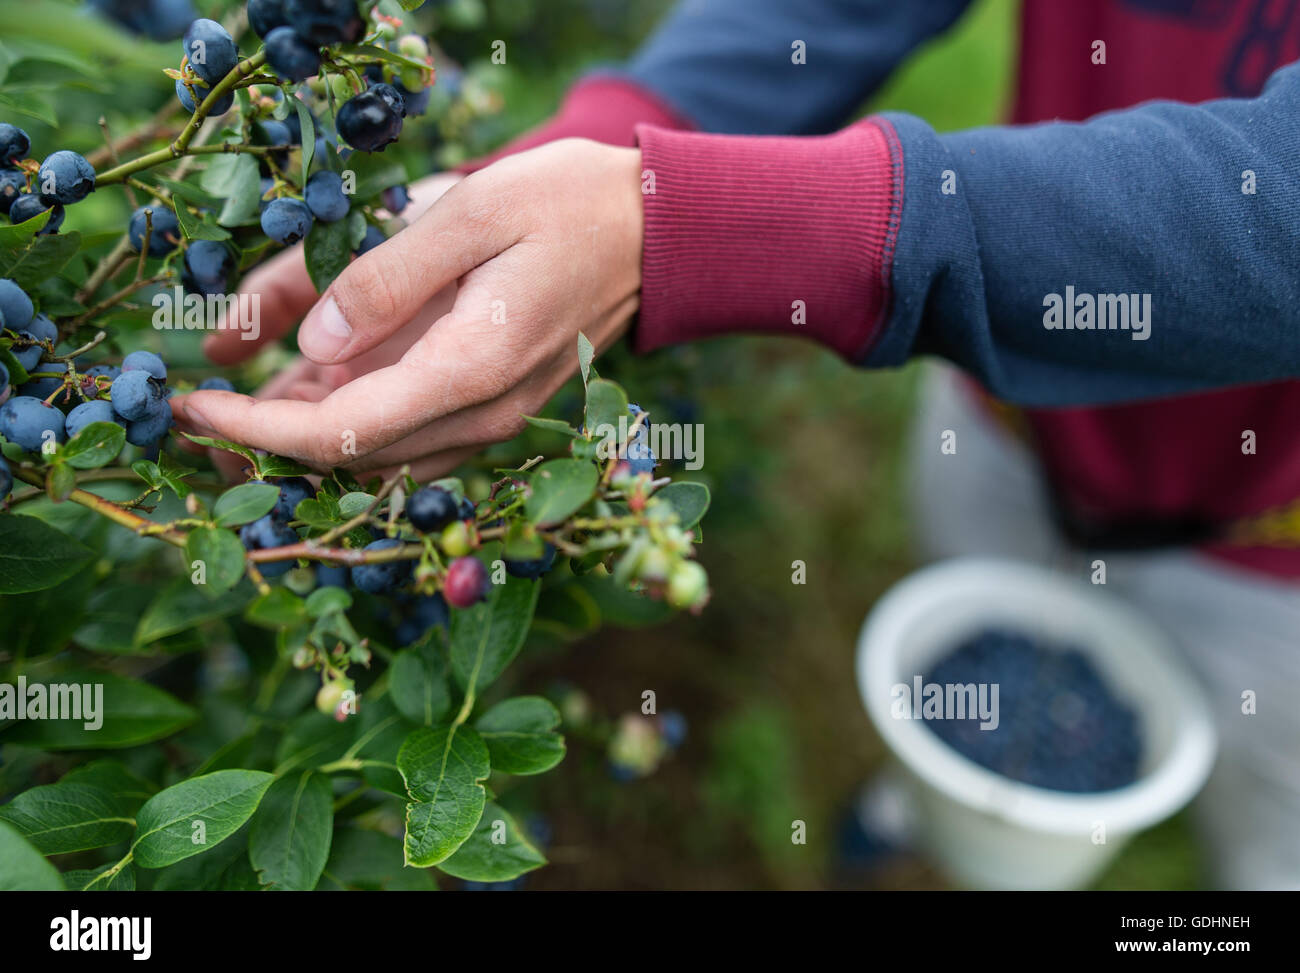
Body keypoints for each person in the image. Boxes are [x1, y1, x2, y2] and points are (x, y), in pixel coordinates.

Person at [173, 0, 1300, 888]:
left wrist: (686, 223)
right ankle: (921, 811)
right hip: (1013, 417)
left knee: (1269, 830)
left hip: (1276, 546)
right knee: (971, 662)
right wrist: (582, 164)